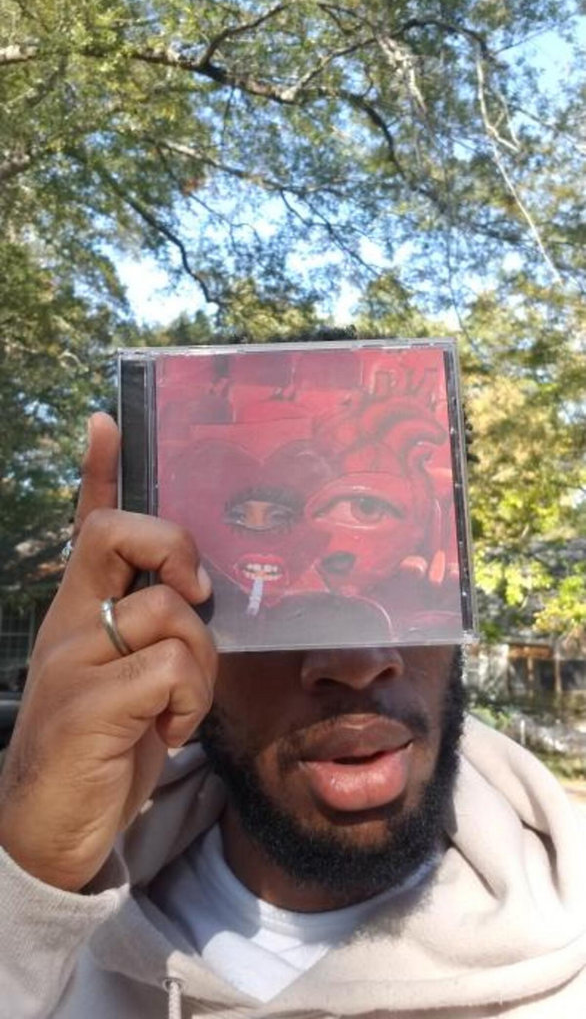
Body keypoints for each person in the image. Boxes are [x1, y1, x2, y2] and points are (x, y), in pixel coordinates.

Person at [0, 411, 585, 1019]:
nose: (356, 663)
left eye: (398, 589)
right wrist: (30, 889)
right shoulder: (49, 931)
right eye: (272, 609)